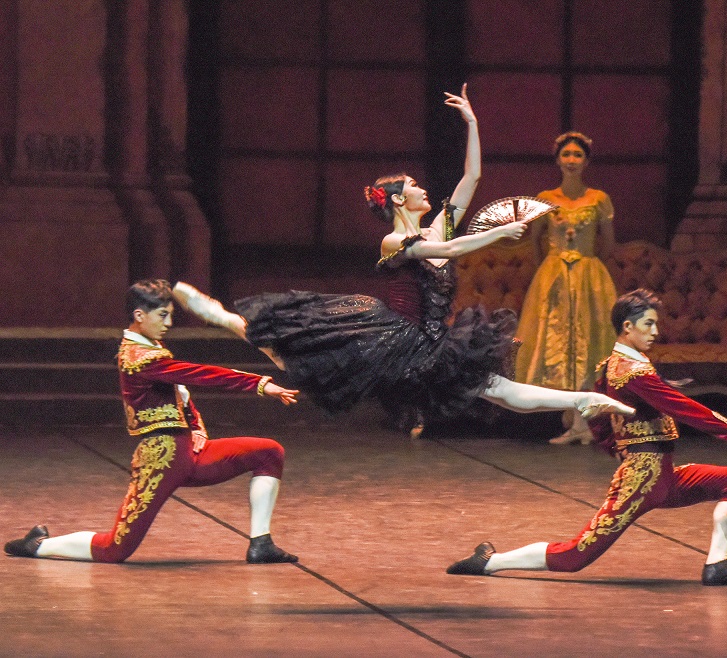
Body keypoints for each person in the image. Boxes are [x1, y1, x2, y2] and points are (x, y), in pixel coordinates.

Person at [171, 86, 633, 430]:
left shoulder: (437, 225)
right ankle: (224, 318)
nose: (422, 188)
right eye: (413, 185)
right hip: (390, 337)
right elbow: (447, 250)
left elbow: (471, 179)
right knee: (298, 362)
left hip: (433, 342)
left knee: (498, 391)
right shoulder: (393, 242)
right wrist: (497, 233)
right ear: (397, 200)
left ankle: (581, 401)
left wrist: (472, 123)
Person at [447, 289, 727, 585]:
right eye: (649, 324)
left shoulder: (618, 365)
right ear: (628, 326)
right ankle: (490, 561)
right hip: (644, 479)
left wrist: (616, 448)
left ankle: (717, 564)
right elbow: (678, 405)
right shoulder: (632, 372)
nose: (655, 331)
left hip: (662, 475)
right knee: (575, 555)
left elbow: (599, 418)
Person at [4, 279, 300, 563]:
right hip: (163, 460)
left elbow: (180, 395)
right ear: (139, 315)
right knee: (114, 548)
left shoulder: (151, 348)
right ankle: (39, 545)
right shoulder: (139, 357)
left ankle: (261, 543)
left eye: (170, 315)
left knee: (269, 452)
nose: (168, 323)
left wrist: (196, 428)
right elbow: (198, 374)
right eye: (162, 315)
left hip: (187, 453)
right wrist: (259, 384)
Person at [516, 131, 619, 446]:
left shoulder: (598, 198)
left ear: (586, 161)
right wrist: (550, 268)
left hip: (588, 277)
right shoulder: (545, 198)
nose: (572, 160)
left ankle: (584, 423)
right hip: (555, 277)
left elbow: (608, 242)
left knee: (588, 344)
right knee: (559, 345)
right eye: (566, 154)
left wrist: (588, 265)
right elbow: (535, 240)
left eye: (578, 155)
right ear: (558, 160)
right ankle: (575, 421)